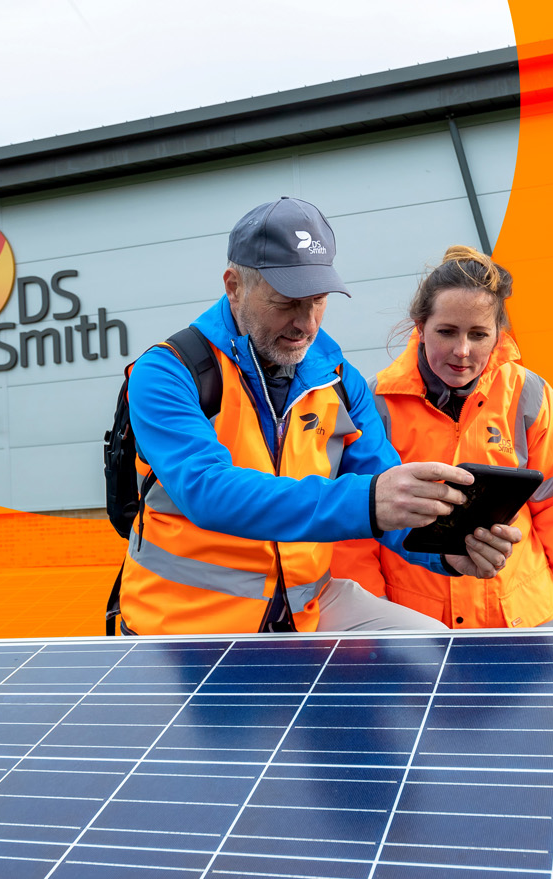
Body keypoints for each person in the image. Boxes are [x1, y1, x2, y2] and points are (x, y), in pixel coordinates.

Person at [118, 199, 522, 636]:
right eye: (287, 302)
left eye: (318, 301)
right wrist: (366, 501)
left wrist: (443, 550)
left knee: (436, 654)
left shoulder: (338, 381)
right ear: (234, 286)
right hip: (186, 626)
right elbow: (207, 492)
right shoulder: (167, 371)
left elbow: (388, 497)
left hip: (306, 604)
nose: (306, 324)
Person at [332, 246, 553, 628]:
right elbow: (354, 532)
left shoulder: (529, 396)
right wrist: (375, 629)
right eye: (446, 332)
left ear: (497, 334)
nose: (462, 351)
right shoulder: (373, 406)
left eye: (478, 334)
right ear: (420, 327)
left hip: (523, 622)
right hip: (417, 630)